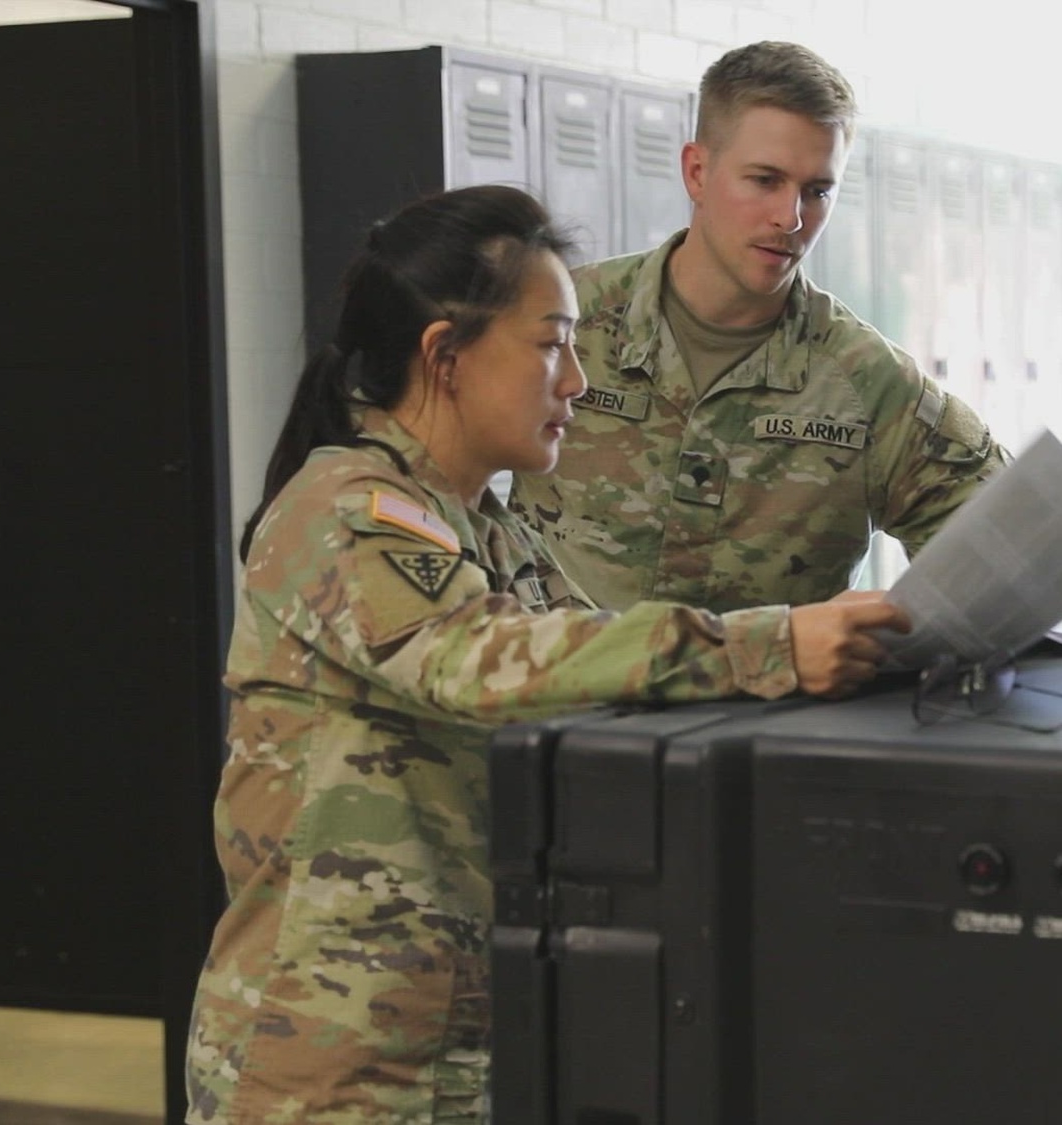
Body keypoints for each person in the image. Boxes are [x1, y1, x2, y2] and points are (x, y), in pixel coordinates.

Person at [183, 185, 907, 1123]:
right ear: (445, 355)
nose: (574, 382)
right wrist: (773, 643)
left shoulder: (481, 525)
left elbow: (601, 672)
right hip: (325, 1068)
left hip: (456, 1047)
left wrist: (845, 647)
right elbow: (482, 662)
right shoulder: (346, 508)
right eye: (551, 344)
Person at [516, 40, 1062, 631]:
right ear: (697, 170)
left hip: (756, 752)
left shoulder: (865, 379)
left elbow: (1006, 535)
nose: (791, 218)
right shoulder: (564, 325)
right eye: (765, 180)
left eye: (818, 190)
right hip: (555, 733)